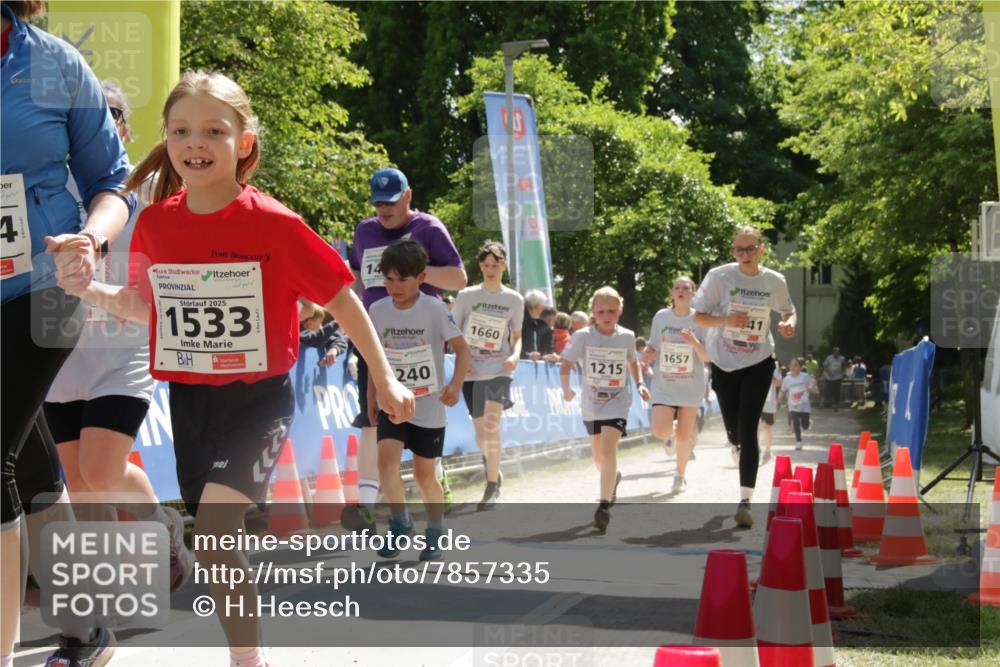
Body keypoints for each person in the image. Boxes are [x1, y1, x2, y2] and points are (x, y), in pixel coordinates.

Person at [57, 70, 414, 667]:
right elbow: (147, 310)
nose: (195, 143)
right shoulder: (156, 222)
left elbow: (341, 299)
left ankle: (248, 661)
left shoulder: (274, 222)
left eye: (213, 131)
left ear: (243, 143)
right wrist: (88, 287)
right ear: (167, 140)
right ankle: (248, 651)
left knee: (219, 540)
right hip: (193, 403)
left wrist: (384, 375)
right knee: (214, 542)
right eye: (181, 130)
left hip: (259, 400)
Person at [2, 2, 135, 665]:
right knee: (23, 457)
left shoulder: (52, 65)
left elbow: (112, 181)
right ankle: (86, 626)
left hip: (47, 287)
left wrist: (91, 235)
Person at [42, 80, 193, 593]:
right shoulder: (46, 186)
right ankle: (114, 588)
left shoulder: (150, 192)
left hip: (124, 347)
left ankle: (161, 526)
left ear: (123, 128)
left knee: (102, 470)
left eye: (107, 116)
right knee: (81, 483)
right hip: (59, 352)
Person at [347, 167, 466, 529]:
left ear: (408, 196)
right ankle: (369, 504)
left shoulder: (428, 228)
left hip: (419, 342)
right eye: (378, 203)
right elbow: (354, 279)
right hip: (376, 336)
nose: (384, 210)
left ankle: (434, 481)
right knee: (375, 422)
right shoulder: (365, 231)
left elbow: (459, 278)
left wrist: (414, 268)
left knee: (422, 432)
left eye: (392, 202)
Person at [367, 239, 470, 560]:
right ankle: (400, 522)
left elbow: (463, 349)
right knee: (386, 464)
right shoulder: (377, 310)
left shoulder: (435, 309)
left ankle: (436, 529)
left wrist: (455, 385)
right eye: (388, 279)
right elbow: (375, 359)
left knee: (426, 475)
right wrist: (372, 396)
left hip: (429, 405)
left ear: (421, 279)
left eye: (402, 279)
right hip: (393, 403)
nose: (394, 287)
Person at [692, 226, 796, 528]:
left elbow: (788, 312)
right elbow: (698, 316)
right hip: (723, 363)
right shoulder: (718, 277)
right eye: (739, 249)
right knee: (735, 434)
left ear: (762, 249)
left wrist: (789, 323)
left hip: (758, 360)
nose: (745, 255)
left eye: (751, 249)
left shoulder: (774, 280)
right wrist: (725, 319)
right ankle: (736, 445)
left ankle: (745, 500)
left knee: (749, 429)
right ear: (733, 251)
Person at [560, 287, 649, 532]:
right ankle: (613, 479)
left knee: (608, 452)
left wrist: (640, 383)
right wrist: (566, 389)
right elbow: (566, 363)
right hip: (592, 404)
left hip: (619, 402)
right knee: (599, 457)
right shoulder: (582, 336)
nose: (606, 315)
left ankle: (603, 506)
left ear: (620, 310)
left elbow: (633, 362)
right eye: (601, 311)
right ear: (593, 312)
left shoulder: (627, 336)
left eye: (611, 310)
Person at [452, 241, 523, 510]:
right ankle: (493, 466)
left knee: (491, 427)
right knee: (481, 433)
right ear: (480, 266)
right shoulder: (466, 296)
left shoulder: (514, 300)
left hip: (498, 370)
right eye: (486, 265)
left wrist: (515, 356)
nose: (491, 269)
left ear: (504, 265)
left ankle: (491, 486)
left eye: (496, 264)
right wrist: (463, 359)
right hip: (471, 372)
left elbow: (517, 337)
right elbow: (453, 332)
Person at [642, 276, 710, 494]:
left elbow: (707, 356)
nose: (681, 290)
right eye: (677, 287)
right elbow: (652, 346)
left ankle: (679, 475)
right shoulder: (661, 317)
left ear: (693, 294)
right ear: (672, 293)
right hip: (665, 384)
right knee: (660, 429)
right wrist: (648, 353)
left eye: (686, 288)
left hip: (690, 384)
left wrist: (693, 342)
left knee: (685, 436)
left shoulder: (700, 319)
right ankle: (669, 435)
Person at [778, 357, 818, 451]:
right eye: (791, 365)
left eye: (796, 365)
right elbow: (783, 390)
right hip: (793, 405)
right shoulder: (787, 379)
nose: (793, 367)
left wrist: (811, 388)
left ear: (800, 367)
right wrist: (779, 398)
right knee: (795, 422)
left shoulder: (804, 376)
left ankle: (808, 422)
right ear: (788, 366)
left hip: (804, 405)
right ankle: (798, 442)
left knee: (805, 426)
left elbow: (812, 383)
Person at [758, 360, 782, 464]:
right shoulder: (749, 360)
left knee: (766, 427)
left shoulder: (773, 364)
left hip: (768, 402)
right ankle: (756, 448)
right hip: (752, 400)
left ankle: (768, 450)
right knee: (753, 427)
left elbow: (778, 383)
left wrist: (767, 373)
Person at [521, 289, 555, 361]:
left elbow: (548, 350)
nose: (544, 307)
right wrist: (527, 356)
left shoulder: (543, 325)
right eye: (543, 304)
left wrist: (548, 357)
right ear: (538, 306)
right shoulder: (518, 321)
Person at [822, 345, 847, 411]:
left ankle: (836, 404)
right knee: (831, 391)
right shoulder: (829, 358)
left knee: (837, 391)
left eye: (838, 351)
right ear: (833, 352)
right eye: (835, 351)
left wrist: (844, 372)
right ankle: (833, 403)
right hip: (830, 377)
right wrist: (828, 372)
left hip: (838, 377)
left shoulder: (842, 358)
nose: (836, 353)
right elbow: (825, 366)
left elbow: (844, 365)